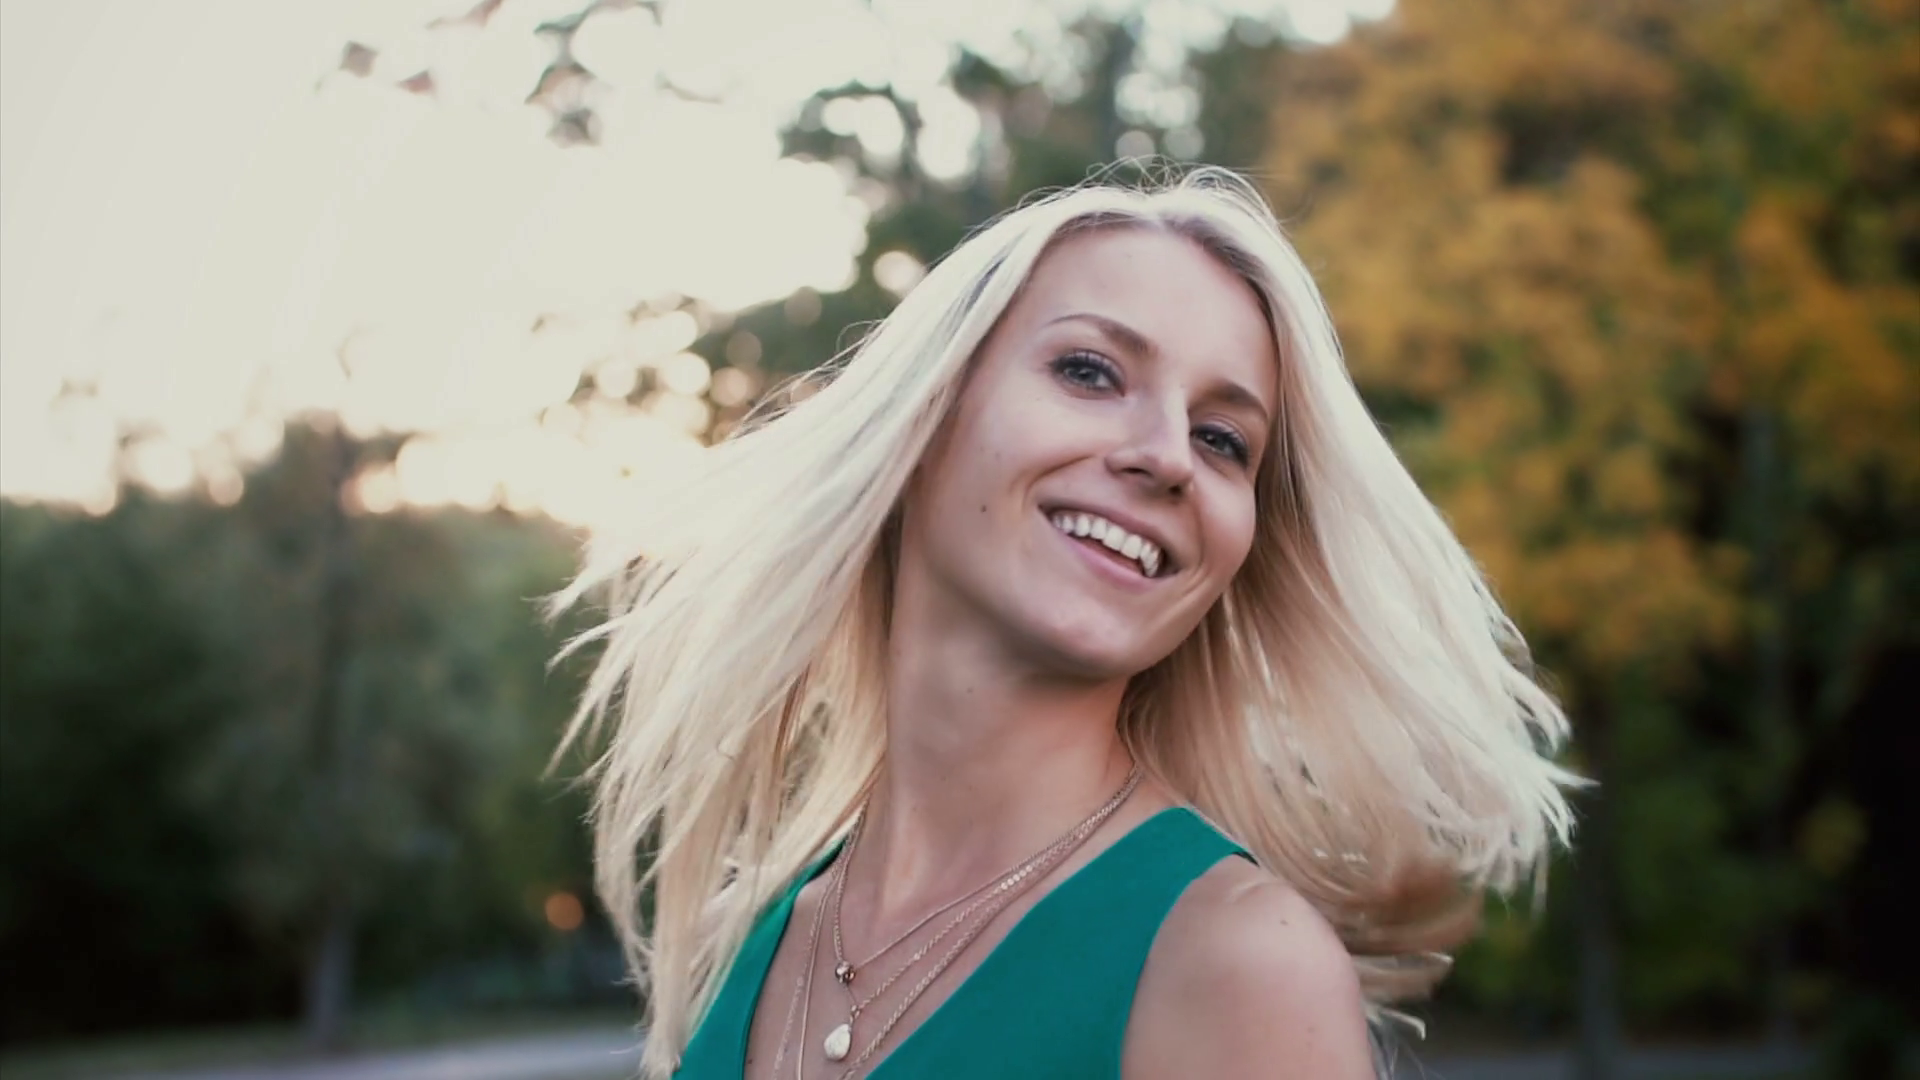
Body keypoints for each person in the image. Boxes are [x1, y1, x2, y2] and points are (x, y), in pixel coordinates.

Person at [552, 167, 1579, 1079]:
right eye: (1091, 371)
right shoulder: (763, 935)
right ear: (928, 417)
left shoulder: (1235, 962)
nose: (1168, 455)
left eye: (1224, 439)